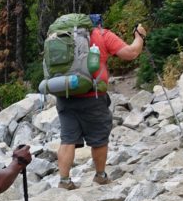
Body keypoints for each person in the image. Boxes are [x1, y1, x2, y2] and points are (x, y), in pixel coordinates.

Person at [56, 18, 147, 189]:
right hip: (93, 95)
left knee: (67, 138)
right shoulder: (103, 35)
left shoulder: (61, 35)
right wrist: (139, 36)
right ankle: (100, 176)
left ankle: (64, 181)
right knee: (98, 137)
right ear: (98, 23)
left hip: (65, 93)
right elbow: (131, 53)